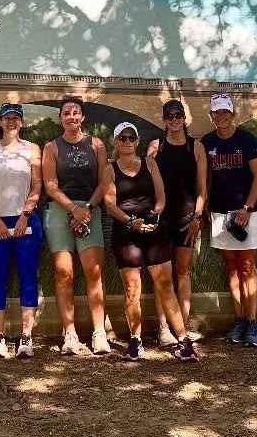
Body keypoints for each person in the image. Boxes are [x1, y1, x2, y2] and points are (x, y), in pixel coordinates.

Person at [103, 122, 197, 361]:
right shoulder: (110, 169)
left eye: (131, 137)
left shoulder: (150, 163)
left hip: (153, 228)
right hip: (126, 231)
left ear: (137, 141)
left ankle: (184, 341)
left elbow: (161, 197)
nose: (127, 142)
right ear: (116, 142)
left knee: (165, 284)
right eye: (122, 138)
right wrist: (130, 221)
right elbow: (110, 204)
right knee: (131, 288)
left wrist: (154, 216)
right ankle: (136, 341)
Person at [42, 96, 111, 355]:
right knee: (64, 274)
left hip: (91, 209)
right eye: (66, 113)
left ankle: (98, 332)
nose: (71, 116)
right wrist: (73, 209)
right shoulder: (51, 147)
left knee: (94, 273)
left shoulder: (96, 145)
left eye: (75, 112)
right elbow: (50, 185)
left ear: (82, 117)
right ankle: (69, 333)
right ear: (60, 118)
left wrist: (88, 209)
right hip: (60, 211)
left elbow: (104, 182)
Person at [201, 93, 257, 347]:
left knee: (248, 266)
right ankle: (239, 321)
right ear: (211, 115)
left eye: (225, 111)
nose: (221, 116)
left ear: (233, 114)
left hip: (247, 212)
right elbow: (205, 177)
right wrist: (205, 202)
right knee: (231, 267)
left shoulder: (247, 140)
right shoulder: (206, 142)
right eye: (216, 112)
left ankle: (253, 321)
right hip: (220, 213)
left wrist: (246, 207)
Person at [0, 103, 43, 359]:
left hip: (25, 221)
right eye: (7, 118)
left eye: (16, 118)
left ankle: (26, 336)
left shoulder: (32, 149)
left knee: (28, 276)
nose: (12, 122)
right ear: (0, 122)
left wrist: (24, 216)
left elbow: (37, 185)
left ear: (23, 122)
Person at [146, 99, 207, 347]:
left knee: (183, 272)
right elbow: (146, 182)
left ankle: (184, 322)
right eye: (169, 116)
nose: (174, 120)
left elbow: (202, 187)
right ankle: (163, 328)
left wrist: (197, 217)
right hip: (161, 219)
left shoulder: (197, 148)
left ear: (184, 118)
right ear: (164, 119)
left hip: (187, 217)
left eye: (178, 115)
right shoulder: (155, 147)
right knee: (162, 275)